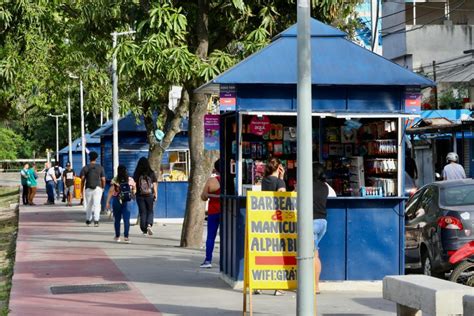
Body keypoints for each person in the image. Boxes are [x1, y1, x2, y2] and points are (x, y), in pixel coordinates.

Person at [258, 157, 285, 296]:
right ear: (279, 167)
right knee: (278, 255)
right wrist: (282, 178)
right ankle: (277, 287)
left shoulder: (265, 180)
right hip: (276, 219)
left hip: (264, 219)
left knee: (264, 253)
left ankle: (259, 285)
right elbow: (282, 198)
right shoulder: (279, 181)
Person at [105, 165, 136, 243]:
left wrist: (107, 202)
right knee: (126, 219)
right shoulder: (130, 179)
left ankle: (117, 236)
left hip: (117, 200)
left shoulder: (115, 179)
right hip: (127, 201)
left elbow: (111, 191)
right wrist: (131, 193)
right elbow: (134, 190)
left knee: (117, 220)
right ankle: (126, 237)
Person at [200, 159, 221, 269]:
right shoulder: (231, 180)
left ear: (216, 168)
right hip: (227, 211)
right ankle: (225, 259)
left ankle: (208, 260)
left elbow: (203, 196)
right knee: (227, 237)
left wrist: (211, 195)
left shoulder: (211, 181)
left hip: (213, 211)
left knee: (211, 237)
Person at [312, 162, 330, 295]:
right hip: (322, 222)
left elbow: (294, 195)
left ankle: (315, 286)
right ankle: (314, 285)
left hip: (311, 222)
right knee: (315, 252)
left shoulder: (306, 185)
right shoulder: (325, 187)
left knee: (313, 255)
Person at [133, 157, 158, 236]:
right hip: (149, 195)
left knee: (142, 212)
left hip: (139, 195)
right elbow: (154, 184)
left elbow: (134, 185)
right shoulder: (151, 172)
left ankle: (144, 229)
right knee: (150, 210)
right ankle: (149, 225)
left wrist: (134, 193)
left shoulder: (137, 173)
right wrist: (155, 194)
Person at [80, 151, 106, 227]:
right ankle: (96, 221)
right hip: (98, 188)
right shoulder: (100, 167)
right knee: (97, 205)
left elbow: (82, 179)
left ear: (89, 158)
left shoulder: (85, 167)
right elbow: (103, 179)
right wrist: (103, 187)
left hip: (88, 188)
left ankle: (88, 220)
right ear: (96, 158)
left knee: (89, 205)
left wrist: (82, 188)